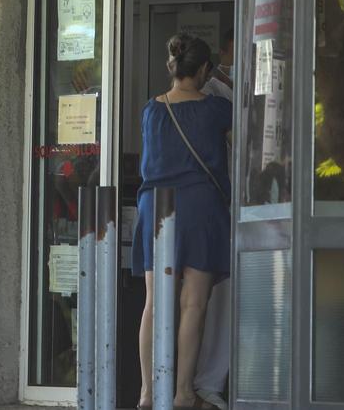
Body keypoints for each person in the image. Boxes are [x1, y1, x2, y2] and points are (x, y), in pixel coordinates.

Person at [132, 34, 231, 410]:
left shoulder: (150, 110)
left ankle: (146, 392)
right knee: (193, 305)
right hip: (200, 208)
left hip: (155, 209)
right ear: (204, 70)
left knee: (154, 305)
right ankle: (184, 392)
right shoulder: (216, 109)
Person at [196, 32, 233, 410]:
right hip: (221, 204)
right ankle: (207, 383)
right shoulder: (210, 95)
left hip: (247, 204)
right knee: (216, 297)